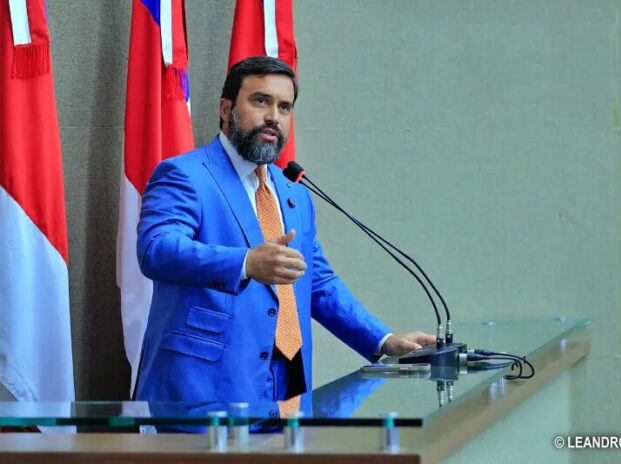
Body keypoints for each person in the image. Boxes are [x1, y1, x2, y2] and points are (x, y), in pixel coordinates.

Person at [135, 56, 434, 415]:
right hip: (203, 394)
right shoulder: (185, 175)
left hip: (286, 394)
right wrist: (246, 262)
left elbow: (317, 282)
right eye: (261, 101)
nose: (273, 117)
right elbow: (157, 249)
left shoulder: (294, 193)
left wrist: (383, 340)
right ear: (226, 108)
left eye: (284, 107)